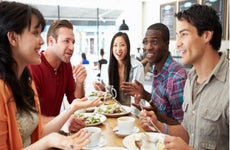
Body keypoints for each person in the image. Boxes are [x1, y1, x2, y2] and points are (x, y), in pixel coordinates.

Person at [0, 1, 101, 149]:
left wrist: (72, 107)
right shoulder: (17, 80)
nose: (41, 41)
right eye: (35, 33)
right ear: (13, 38)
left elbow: (36, 132)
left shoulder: (25, 80)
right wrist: (51, 140)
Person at [140, 4, 229, 150]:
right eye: (177, 36)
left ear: (206, 35)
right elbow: (188, 132)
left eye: (184, 34)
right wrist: (158, 125)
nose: (178, 44)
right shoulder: (191, 79)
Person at [121, 23, 187, 124]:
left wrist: (156, 116)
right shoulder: (157, 69)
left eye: (154, 42)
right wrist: (145, 95)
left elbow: (183, 127)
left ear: (166, 45)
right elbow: (163, 106)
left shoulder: (176, 78)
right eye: (146, 42)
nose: (148, 47)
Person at [28, 20, 87, 122]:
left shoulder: (66, 65)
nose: (72, 47)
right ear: (51, 41)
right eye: (66, 41)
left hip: (55, 130)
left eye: (73, 42)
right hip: (36, 135)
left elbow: (74, 101)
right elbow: (30, 118)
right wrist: (63, 122)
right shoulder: (34, 67)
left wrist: (79, 83)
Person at [94, 32, 145, 106]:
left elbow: (139, 99)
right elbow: (107, 98)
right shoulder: (106, 68)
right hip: (113, 112)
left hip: (132, 114)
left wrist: (133, 116)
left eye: (122, 45)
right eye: (115, 45)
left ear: (128, 48)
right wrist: (103, 90)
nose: (118, 49)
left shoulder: (137, 67)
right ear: (112, 48)